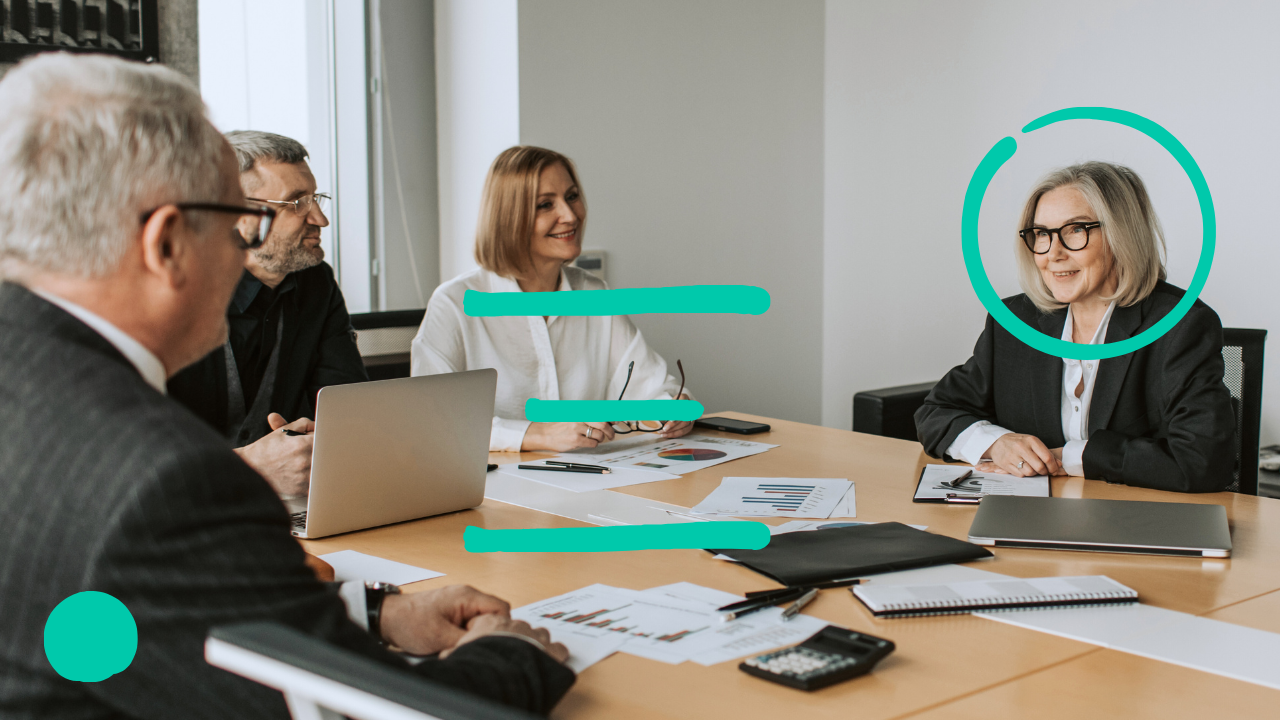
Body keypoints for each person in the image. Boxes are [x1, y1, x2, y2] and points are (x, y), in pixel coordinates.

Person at [0, 54, 572, 719]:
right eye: (231, 226)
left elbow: (122, 620)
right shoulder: (167, 479)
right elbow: (356, 710)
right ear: (167, 246)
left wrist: (370, 612)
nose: (241, 251)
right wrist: (512, 656)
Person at [915, 161, 1235, 493]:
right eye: (1042, 234)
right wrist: (997, 443)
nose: (1053, 253)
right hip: (1034, 514)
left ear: (1121, 235)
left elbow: (1203, 461)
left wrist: (1070, 458)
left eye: (1075, 230)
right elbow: (936, 412)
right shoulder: (1014, 321)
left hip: (1133, 516)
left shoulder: (1181, 325)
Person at [412, 145, 693, 452]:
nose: (570, 216)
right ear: (508, 218)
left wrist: (672, 407)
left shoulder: (595, 296)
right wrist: (538, 434)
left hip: (593, 474)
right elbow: (430, 421)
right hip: (492, 480)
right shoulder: (454, 304)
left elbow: (652, 387)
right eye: (545, 205)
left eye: (572, 197)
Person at [168, 131, 367, 498]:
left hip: (289, 505)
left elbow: (349, 409)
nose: (320, 219)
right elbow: (132, 459)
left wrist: (324, 440)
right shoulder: (168, 298)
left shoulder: (316, 284)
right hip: (184, 511)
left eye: (315, 199)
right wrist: (250, 467)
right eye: (297, 203)